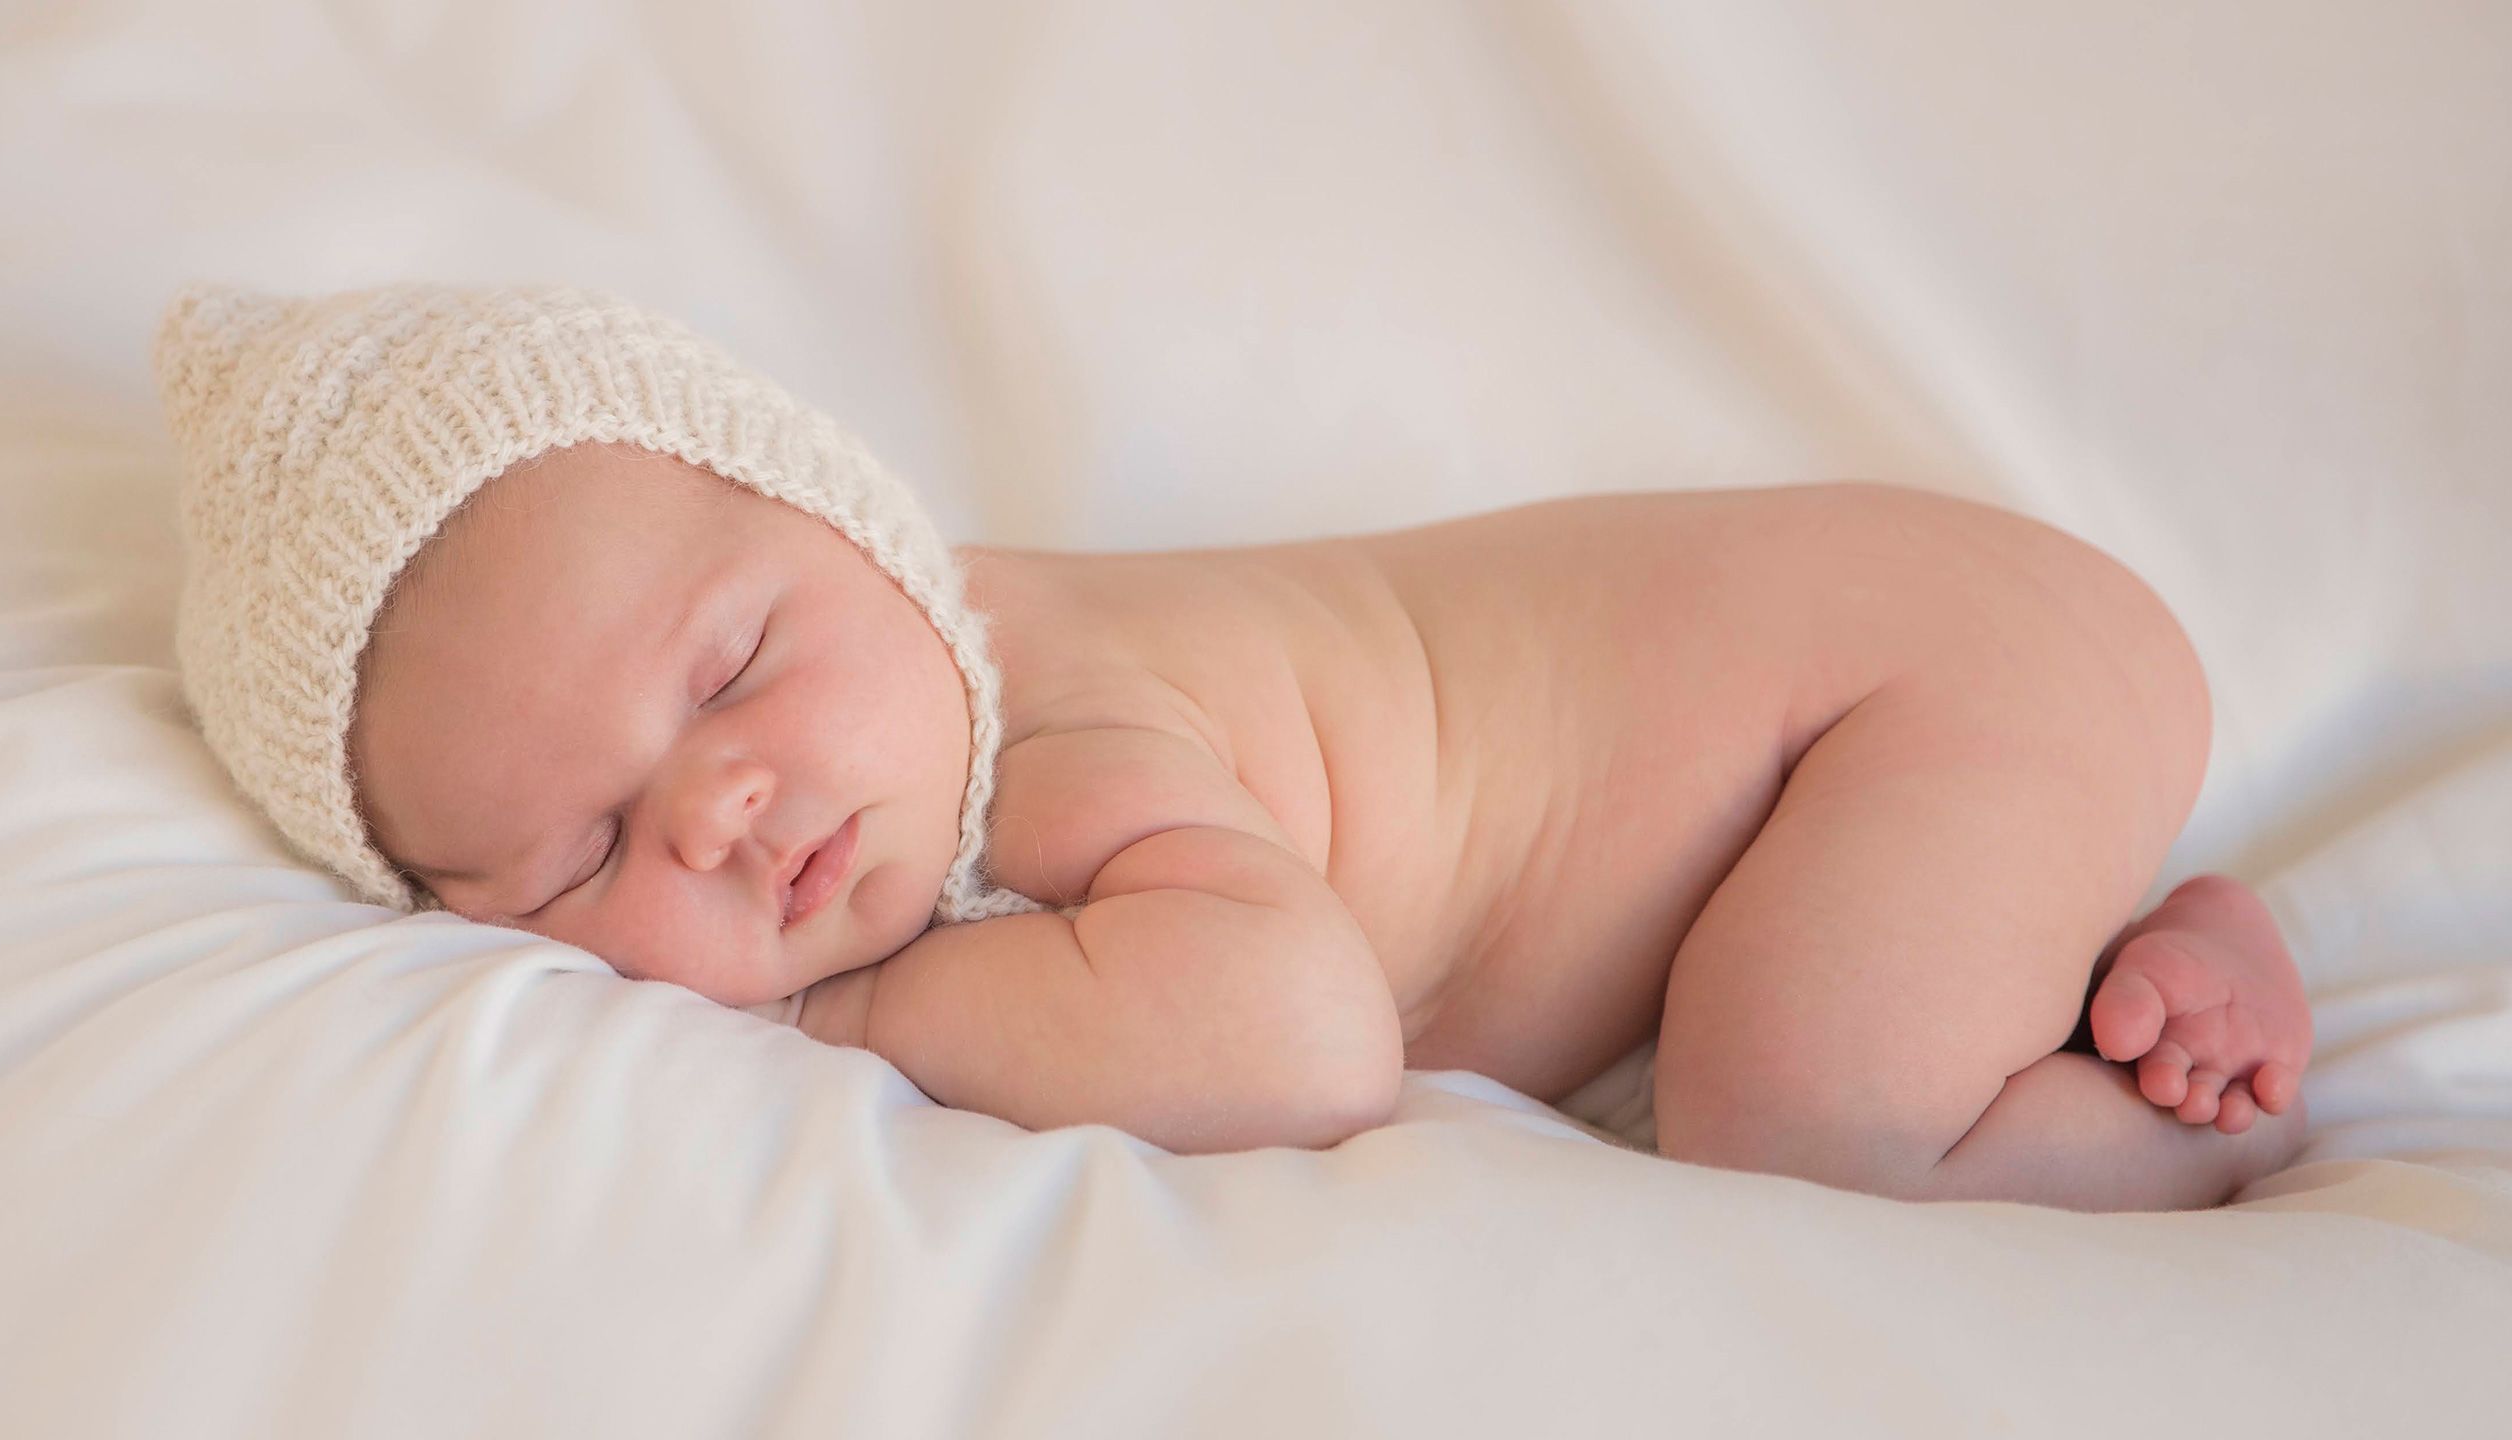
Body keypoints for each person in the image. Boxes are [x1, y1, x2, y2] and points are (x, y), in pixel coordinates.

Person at [159, 282, 2312, 1211]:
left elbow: (1294, 1049)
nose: (722, 809)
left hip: (1914, 682)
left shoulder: (1052, 734)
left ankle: (2183, 1112)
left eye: (731, 672)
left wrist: (863, 1001)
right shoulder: (888, 709)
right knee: (1813, 1025)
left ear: (851, 518)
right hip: (1905, 710)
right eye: (582, 851)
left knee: (1800, 1122)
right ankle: (2106, 924)